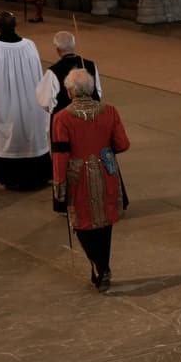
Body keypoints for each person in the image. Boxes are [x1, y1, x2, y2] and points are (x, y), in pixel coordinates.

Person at [51, 69, 130, 292]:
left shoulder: (62, 118)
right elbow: (123, 144)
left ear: (70, 92)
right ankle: (102, 266)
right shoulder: (110, 111)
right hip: (106, 172)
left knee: (81, 223)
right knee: (104, 222)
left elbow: (60, 155)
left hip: (78, 177)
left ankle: (98, 265)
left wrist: (59, 184)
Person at [0, 12, 50, 189]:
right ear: (15, 25)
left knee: (6, 136)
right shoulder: (29, 45)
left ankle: (11, 178)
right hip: (30, 103)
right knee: (31, 134)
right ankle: (37, 176)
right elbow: (37, 73)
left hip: (3, 103)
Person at [37, 31, 101, 118]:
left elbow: (45, 101)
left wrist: (56, 112)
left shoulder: (54, 71)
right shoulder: (91, 65)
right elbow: (98, 92)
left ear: (58, 50)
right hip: (91, 116)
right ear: (73, 46)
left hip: (65, 118)